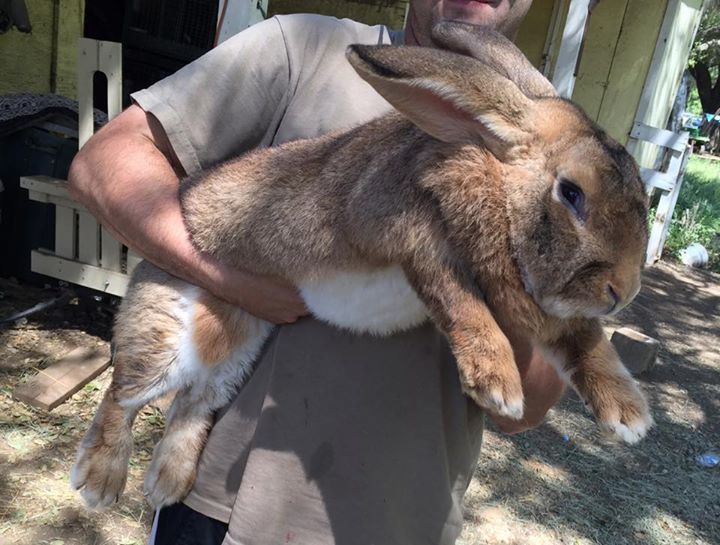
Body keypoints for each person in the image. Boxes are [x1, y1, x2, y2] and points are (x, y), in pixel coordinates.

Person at [68, 1, 566, 543]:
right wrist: (234, 282)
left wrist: (500, 276)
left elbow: (528, 407)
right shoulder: (304, 50)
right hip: (219, 508)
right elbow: (104, 163)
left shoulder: (559, 151)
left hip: (398, 524)